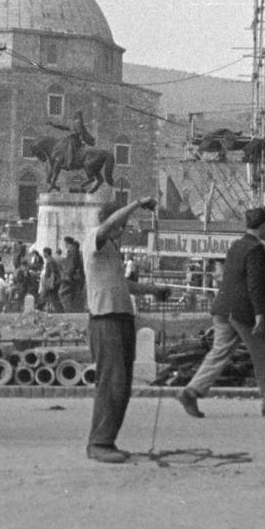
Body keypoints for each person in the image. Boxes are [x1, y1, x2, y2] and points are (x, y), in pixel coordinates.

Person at [178, 206, 265, 419]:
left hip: (223, 308)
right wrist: (259, 314)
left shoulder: (236, 245)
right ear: (263, 225)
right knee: (264, 357)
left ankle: (192, 391)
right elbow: (255, 283)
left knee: (219, 352)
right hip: (244, 312)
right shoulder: (256, 249)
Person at [83, 196, 161, 463]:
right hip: (105, 320)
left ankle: (108, 440)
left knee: (122, 385)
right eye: (122, 224)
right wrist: (137, 203)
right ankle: (99, 443)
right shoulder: (95, 238)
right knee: (111, 383)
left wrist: (153, 290)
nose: (123, 230)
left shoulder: (112, 251)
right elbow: (107, 226)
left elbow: (123, 285)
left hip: (121, 318)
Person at [58, 237, 85, 312]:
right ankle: (74, 310)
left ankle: (68, 310)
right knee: (74, 294)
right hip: (76, 276)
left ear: (67, 243)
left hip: (72, 277)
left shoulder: (72, 250)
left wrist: (67, 275)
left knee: (62, 293)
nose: (65, 245)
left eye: (65, 243)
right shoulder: (75, 250)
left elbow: (71, 264)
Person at [38, 247, 62, 312]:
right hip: (52, 282)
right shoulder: (50, 259)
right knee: (49, 297)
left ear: (46, 253)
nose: (43, 254)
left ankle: (60, 311)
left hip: (51, 282)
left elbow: (52, 272)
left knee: (50, 297)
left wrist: (51, 283)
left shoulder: (50, 260)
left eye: (44, 253)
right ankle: (39, 308)